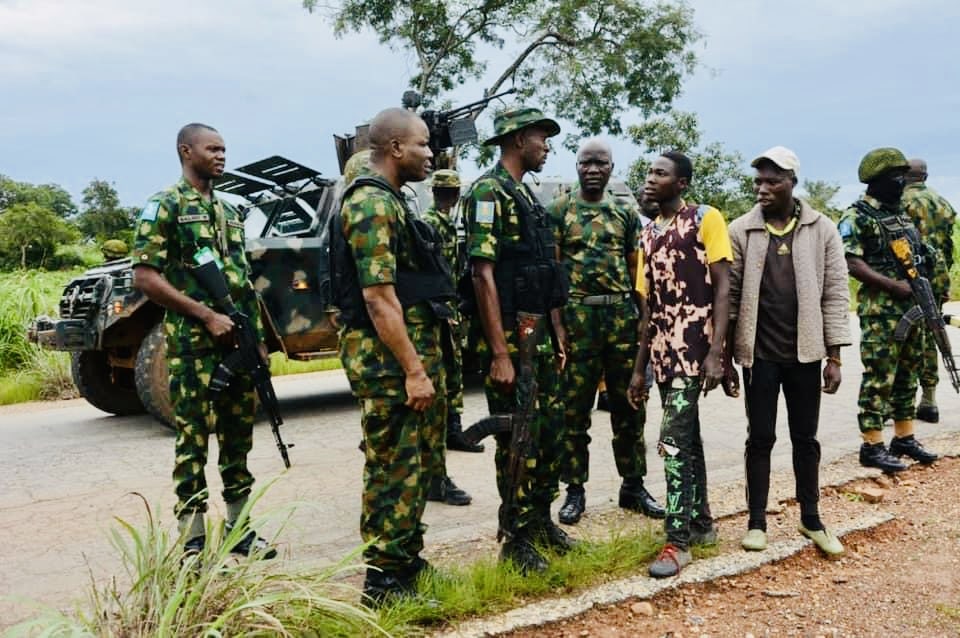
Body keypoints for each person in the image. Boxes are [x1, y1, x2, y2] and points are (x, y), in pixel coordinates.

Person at [132, 123, 275, 559]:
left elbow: (244, 283)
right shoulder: (165, 206)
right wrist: (205, 315)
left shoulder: (230, 212)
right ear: (185, 151)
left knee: (238, 440)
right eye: (212, 149)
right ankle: (193, 541)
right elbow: (145, 276)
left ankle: (240, 530)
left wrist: (260, 342)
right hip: (194, 348)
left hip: (237, 346)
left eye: (224, 149)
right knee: (192, 441)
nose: (221, 156)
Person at [336, 108, 454, 603]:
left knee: (414, 466)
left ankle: (405, 558)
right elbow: (378, 297)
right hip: (388, 364)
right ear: (395, 149)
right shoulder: (371, 205)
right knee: (393, 468)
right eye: (424, 144)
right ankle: (384, 581)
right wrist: (413, 369)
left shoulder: (391, 199)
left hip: (401, 359)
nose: (432, 153)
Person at [463, 106, 571, 574]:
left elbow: (544, 274)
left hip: (539, 334)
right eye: (540, 137)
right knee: (517, 439)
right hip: (511, 335)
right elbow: (482, 274)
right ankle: (515, 538)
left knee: (545, 434)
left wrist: (558, 335)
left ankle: (540, 522)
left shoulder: (524, 194)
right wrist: (500, 353)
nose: (546, 146)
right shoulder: (489, 192)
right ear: (517, 139)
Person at [727, 146, 850, 556]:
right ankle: (757, 521)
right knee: (759, 437)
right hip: (759, 355)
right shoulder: (742, 230)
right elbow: (727, 297)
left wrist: (834, 357)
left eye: (772, 181)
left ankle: (811, 518)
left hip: (806, 354)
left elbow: (835, 294)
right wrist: (727, 356)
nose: (762, 188)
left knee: (806, 439)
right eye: (758, 180)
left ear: (792, 183)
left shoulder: (821, 229)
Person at [627, 151, 732, 578]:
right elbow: (647, 309)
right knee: (688, 439)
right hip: (662, 353)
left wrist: (715, 352)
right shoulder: (648, 234)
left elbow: (725, 288)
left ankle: (678, 542)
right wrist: (639, 370)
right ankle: (702, 522)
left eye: (660, 173)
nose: (650, 179)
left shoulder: (705, 219)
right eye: (649, 172)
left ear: (682, 183)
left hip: (696, 348)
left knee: (671, 440)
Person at [550, 138, 664, 525]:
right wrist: (558, 326)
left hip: (620, 319)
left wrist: (645, 322)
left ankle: (633, 486)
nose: (593, 169)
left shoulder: (624, 213)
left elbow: (639, 274)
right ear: (577, 167)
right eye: (586, 163)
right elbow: (554, 272)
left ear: (612, 168)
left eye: (601, 163)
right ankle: (575, 490)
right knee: (574, 410)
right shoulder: (560, 211)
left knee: (629, 407)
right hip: (578, 319)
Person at [838, 148, 939, 472]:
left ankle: (904, 437)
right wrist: (891, 285)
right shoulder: (857, 216)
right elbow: (852, 262)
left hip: (913, 308)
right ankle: (871, 444)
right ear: (876, 181)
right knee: (880, 377)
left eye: (902, 176)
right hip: (881, 313)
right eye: (895, 177)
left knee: (908, 374)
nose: (901, 182)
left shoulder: (902, 215)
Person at [420, 168, 475, 508]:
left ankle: (453, 430)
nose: (449, 197)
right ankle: (438, 465)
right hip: (441, 309)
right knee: (445, 377)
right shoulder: (430, 224)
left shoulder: (445, 222)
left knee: (453, 372)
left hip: (449, 305)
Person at [901, 158, 956, 423]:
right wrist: (944, 284)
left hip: (908, 279)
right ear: (925, 176)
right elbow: (947, 249)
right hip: (935, 280)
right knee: (931, 335)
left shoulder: (900, 203)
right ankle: (929, 399)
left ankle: (902, 399)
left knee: (906, 337)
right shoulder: (942, 203)